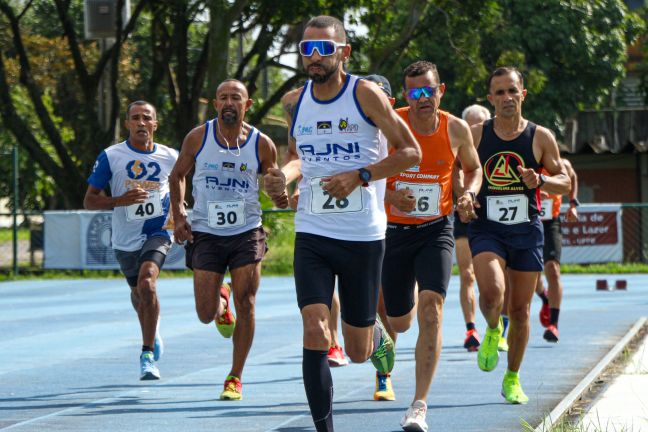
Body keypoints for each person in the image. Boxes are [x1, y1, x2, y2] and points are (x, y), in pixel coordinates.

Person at [265, 15, 421, 432]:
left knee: (355, 350)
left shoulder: (366, 95)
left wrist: (361, 175)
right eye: (306, 49)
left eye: (323, 49)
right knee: (315, 328)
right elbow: (300, 157)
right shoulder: (294, 102)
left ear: (343, 52)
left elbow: (411, 152)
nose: (314, 57)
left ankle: (374, 336)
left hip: (363, 237)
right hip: (313, 232)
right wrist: (285, 175)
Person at [169, 79, 287, 400]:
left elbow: (274, 183)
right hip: (206, 231)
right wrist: (179, 215)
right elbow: (177, 175)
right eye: (223, 98)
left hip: (246, 231)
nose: (229, 102)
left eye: (236, 97)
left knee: (246, 303)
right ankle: (221, 301)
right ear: (216, 104)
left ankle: (235, 376)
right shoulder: (198, 137)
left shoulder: (262, 144)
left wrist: (280, 195)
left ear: (247, 105)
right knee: (205, 314)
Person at [381, 61, 482, 431]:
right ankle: (384, 329)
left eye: (429, 91)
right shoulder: (392, 124)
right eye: (414, 92)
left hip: (436, 229)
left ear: (441, 91)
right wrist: (391, 193)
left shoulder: (455, 128)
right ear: (406, 95)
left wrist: (469, 193)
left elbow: (473, 167)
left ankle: (419, 405)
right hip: (393, 231)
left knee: (432, 309)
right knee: (400, 322)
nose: (422, 98)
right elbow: (370, 173)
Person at [468, 66, 570, 404]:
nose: (507, 98)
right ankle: (493, 328)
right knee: (492, 292)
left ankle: (512, 378)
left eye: (512, 91)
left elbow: (564, 182)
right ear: (490, 98)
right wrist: (464, 195)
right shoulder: (477, 134)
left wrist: (540, 181)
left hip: (526, 229)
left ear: (523, 94)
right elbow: (459, 172)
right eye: (499, 92)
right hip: (488, 228)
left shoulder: (540, 137)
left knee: (522, 309)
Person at [84, 101, 178, 381]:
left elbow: (184, 185)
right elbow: (89, 200)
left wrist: (179, 213)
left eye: (146, 118)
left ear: (154, 124)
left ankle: (146, 355)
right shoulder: (111, 156)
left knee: (148, 281)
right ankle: (154, 326)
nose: (141, 123)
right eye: (135, 118)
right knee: (139, 294)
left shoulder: (171, 156)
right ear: (127, 124)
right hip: (125, 238)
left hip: (158, 230)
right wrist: (119, 200)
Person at [326, 74, 397, 377]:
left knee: (385, 306)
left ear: (389, 103)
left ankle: (383, 372)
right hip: (342, 227)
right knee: (322, 291)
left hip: (390, 230)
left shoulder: (401, 136)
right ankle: (331, 343)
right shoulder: (347, 131)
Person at [455, 104, 491, 352]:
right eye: (471, 124)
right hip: (465, 211)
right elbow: (454, 174)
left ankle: (496, 325)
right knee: (467, 274)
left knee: (493, 278)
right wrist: (465, 196)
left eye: (480, 123)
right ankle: (470, 329)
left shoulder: (498, 142)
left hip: (493, 215)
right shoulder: (459, 147)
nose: (475, 128)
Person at [536, 157, 579, 342]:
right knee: (531, 276)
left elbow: (573, 178)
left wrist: (573, 204)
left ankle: (554, 325)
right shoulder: (529, 161)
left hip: (551, 223)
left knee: (553, 270)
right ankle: (545, 297)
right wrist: (536, 193)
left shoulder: (563, 164)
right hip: (530, 221)